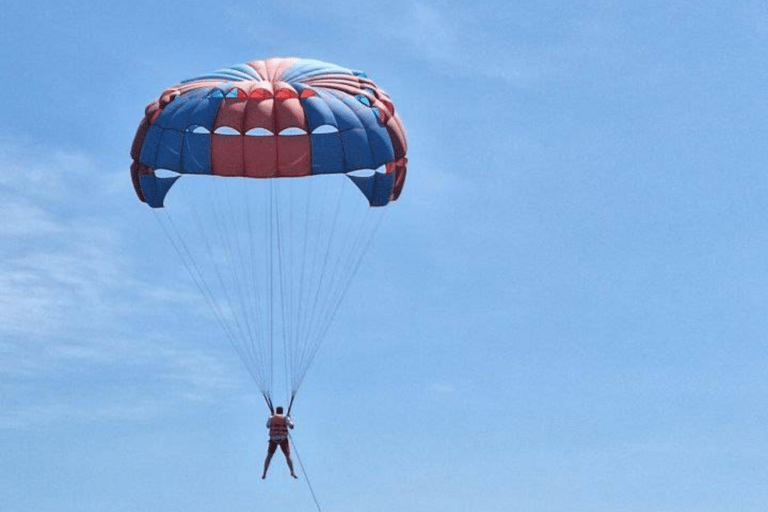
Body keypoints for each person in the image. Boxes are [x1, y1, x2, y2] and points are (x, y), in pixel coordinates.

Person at [262, 406, 297, 479]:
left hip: (273, 439)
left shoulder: (271, 418)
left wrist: (270, 416)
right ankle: (292, 472)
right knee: (287, 456)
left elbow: (267, 426)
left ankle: (264, 473)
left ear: (276, 411)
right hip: (283, 439)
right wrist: (289, 418)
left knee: (269, 456)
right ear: (282, 411)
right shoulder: (285, 418)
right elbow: (292, 426)